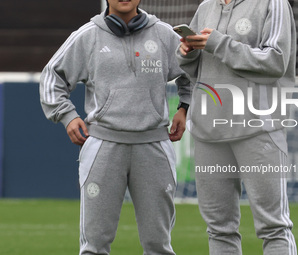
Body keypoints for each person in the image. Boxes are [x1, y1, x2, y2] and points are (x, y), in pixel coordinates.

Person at [40, 0, 192, 254]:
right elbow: (51, 77)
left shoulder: (164, 34)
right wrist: (66, 115)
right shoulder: (87, 36)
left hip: (154, 148)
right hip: (103, 148)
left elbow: (192, 71)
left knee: (159, 246)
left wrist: (184, 108)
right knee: (94, 246)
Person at [176, 0, 297, 254]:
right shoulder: (207, 6)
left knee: (274, 227)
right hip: (209, 132)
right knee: (219, 230)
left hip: (258, 128)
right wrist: (188, 53)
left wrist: (219, 44)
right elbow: (194, 71)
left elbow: (275, 62)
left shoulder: (272, 3)